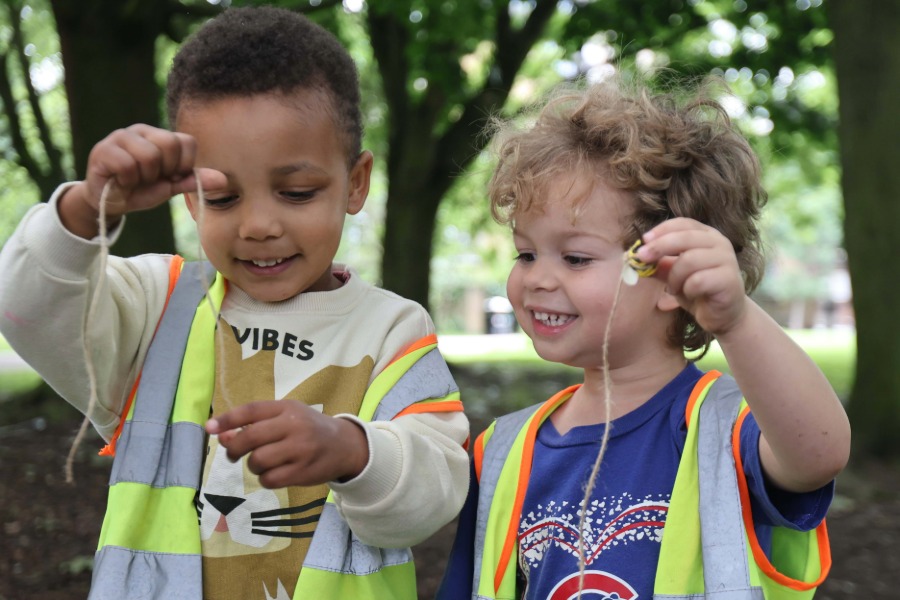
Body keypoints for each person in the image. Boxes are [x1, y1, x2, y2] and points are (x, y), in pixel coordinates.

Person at [0, 6, 469, 600]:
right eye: (221, 198)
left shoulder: (393, 331)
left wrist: (353, 451)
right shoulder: (156, 308)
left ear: (355, 183)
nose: (258, 226)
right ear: (190, 200)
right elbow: (26, 309)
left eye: (296, 192)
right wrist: (85, 208)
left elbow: (431, 500)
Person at [437, 75, 850, 600]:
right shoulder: (499, 452)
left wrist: (737, 321)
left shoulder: (726, 428)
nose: (537, 278)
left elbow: (819, 453)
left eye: (576, 257)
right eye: (526, 253)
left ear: (670, 273)